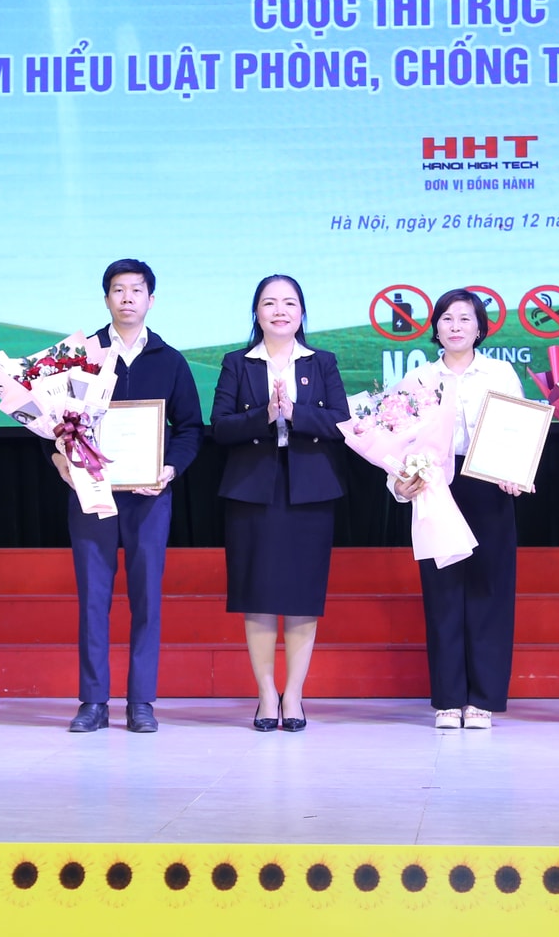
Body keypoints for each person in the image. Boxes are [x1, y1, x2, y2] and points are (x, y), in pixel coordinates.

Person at [54, 259, 203, 735]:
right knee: (93, 598)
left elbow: (190, 428)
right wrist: (58, 458)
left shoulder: (170, 360)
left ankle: (141, 702)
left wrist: (169, 469)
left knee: (147, 599)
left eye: (136, 290)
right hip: (92, 490)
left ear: (150, 300)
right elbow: (53, 418)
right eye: (118, 290)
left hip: (149, 494)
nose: (127, 298)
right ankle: (93, 701)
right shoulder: (80, 356)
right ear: (106, 299)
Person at [210, 274, 349, 732]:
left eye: (289, 303)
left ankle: (295, 694)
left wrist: (295, 413)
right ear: (257, 312)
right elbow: (220, 427)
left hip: (310, 490)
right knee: (260, 595)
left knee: (303, 596)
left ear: (302, 312)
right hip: (253, 490)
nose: (280, 311)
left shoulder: (322, 362)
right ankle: (266, 693)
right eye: (269, 303)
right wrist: (265, 415)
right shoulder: (237, 363)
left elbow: (342, 424)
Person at [389, 289, 527, 729]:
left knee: (490, 592)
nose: (455, 326)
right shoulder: (418, 379)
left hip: (488, 486)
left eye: (465, 318)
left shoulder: (500, 373)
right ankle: (448, 700)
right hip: (436, 488)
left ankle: (483, 699)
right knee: (443, 593)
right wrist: (400, 484)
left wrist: (515, 471)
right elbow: (396, 442)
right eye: (447, 318)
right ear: (435, 328)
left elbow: (519, 430)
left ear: (480, 328)